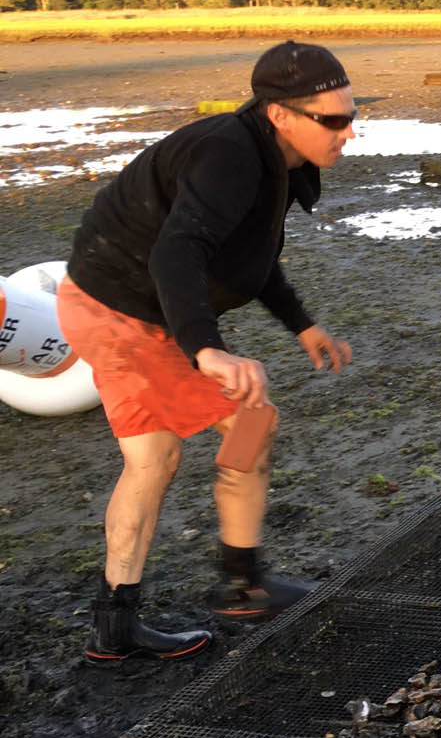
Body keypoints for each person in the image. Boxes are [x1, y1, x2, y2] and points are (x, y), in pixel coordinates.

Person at [58, 40, 356, 667]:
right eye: (333, 120)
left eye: (352, 115)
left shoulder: (277, 157)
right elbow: (177, 254)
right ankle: (242, 585)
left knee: (154, 459)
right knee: (252, 418)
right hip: (122, 315)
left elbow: (251, 255)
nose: (347, 131)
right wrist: (207, 352)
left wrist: (301, 324)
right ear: (281, 114)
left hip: (115, 308)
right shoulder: (228, 154)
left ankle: (115, 625)